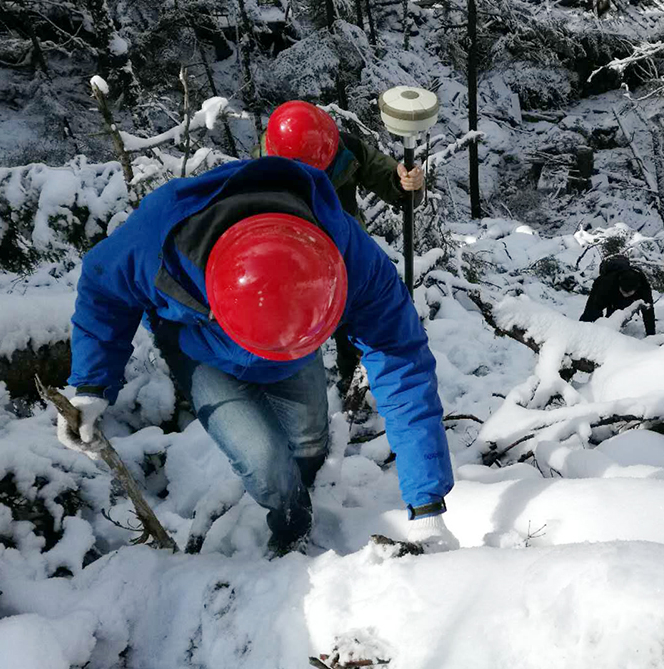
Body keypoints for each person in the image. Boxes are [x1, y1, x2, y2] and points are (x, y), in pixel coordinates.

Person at [57, 155, 457, 557]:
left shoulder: (354, 261)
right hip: (201, 349)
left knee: (309, 442)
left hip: (296, 348)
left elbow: (403, 366)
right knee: (263, 460)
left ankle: (309, 493)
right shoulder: (155, 245)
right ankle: (290, 526)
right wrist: (92, 385)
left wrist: (427, 506)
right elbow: (102, 288)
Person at [258, 101, 425, 397]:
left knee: (356, 318)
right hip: (293, 260)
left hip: (347, 250)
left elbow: (388, 178)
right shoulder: (263, 167)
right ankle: (298, 396)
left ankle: (355, 380)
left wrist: (406, 183)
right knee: (295, 331)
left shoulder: (341, 146)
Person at [579, 256, 657, 336]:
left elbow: (648, 311)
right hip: (606, 287)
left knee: (618, 313)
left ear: (636, 289)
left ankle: (613, 332)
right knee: (592, 313)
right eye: (623, 291)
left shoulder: (644, 288)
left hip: (620, 291)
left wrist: (651, 334)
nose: (625, 295)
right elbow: (593, 308)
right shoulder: (605, 284)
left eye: (628, 293)